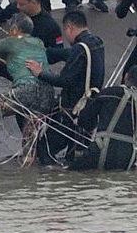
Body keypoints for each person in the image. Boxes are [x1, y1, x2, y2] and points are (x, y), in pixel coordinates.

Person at [0, 13, 56, 162]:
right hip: (47, 93)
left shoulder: (12, 41)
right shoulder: (38, 42)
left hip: (27, 89)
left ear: (15, 29)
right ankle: (28, 158)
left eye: (10, 29)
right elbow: (15, 51)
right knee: (30, 123)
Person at [26, 10, 104, 165]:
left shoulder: (78, 49)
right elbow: (70, 57)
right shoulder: (97, 42)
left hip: (72, 113)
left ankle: (50, 183)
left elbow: (64, 80)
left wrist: (40, 73)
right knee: (75, 157)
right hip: (89, 112)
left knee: (44, 150)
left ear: (69, 27)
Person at [70, 65, 137, 171]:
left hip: (99, 150)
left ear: (126, 77)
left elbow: (84, 121)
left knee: (70, 172)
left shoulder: (107, 93)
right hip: (126, 158)